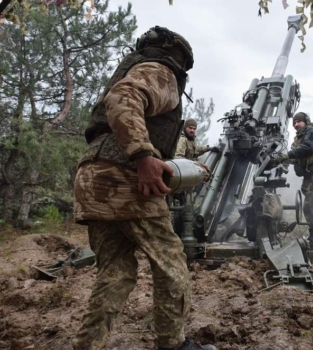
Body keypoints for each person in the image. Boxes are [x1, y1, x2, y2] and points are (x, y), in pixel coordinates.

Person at [71, 25, 216, 350]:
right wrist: (143, 156)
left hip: (92, 177)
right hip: (126, 177)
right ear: (179, 58)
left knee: (117, 269)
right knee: (171, 261)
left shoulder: (133, 68)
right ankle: (173, 344)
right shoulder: (160, 70)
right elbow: (123, 99)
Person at [274, 112, 313, 260]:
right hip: (310, 177)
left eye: (299, 121)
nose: (296, 124)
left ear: (306, 121)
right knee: (308, 208)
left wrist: (287, 156)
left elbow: (308, 148)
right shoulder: (299, 140)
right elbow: (299, 159)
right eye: (294, 122)